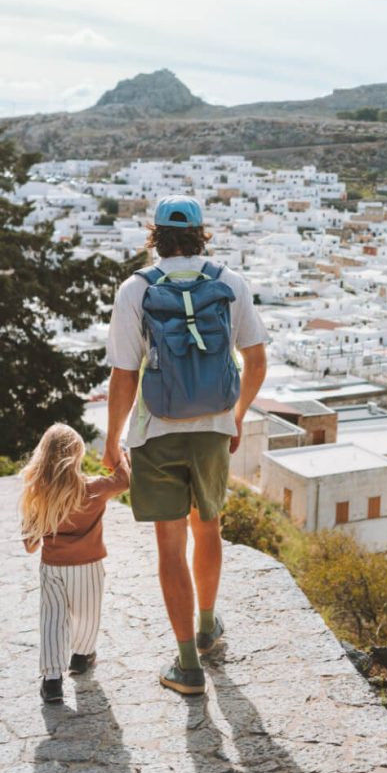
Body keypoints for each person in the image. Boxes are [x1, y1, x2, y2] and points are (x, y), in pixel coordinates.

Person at [103, 195, 268, 695]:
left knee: (170, 545)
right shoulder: (229, 282)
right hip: (213, 430)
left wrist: (112, 442)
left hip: (157, 432)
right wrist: (235, 418)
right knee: (209, 526)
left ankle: (186, 666)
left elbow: (123, 375)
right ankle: (208, 627)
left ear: (155, 234)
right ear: (201, 233)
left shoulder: (136, 289)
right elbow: (256, 361)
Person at [19, 422, 131, 705]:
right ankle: (81, 657)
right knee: (86, 613)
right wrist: (117, 451)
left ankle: (52, 681)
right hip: (88, 565)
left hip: (53, 567)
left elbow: (30, 545)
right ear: (77, 455)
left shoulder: (38, 493)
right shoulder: (93, 487)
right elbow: (124, 479)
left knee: (53, 618)